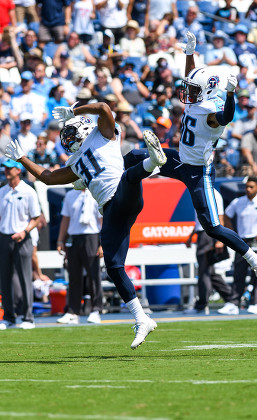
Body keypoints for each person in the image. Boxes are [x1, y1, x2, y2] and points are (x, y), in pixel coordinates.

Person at [5, 101, 167, 349]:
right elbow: (47, 178)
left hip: (122, 195)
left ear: (83, 126)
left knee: (128, 176)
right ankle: (141, 318)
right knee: (113, 267)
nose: (67, 139)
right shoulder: (75, 163)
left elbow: (103, 107)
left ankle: (152, 163)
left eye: (70, 132)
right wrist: (22, 158)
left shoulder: (102, 134)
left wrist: (74, 111)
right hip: (113, 212)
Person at [123, 31, 257, 297]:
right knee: (134, 156)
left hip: (199, 172)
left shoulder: (211, 111)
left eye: (193, 90)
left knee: (212, 227)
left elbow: (224, 117)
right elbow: (192, 78)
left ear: (209, 92)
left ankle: (255, 260)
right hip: (180, 160)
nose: (187, 92)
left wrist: (230, 94)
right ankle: (95, 178)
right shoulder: (199, 96)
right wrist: (189, 53)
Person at [218, 177, 257, 315]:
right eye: (246, 186)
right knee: (238, 273)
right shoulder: (237, 202)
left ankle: (254, 303)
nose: (248, 189)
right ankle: (234, 303)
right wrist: (232, 232)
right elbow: (227, 216)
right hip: (242, 241)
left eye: (251, 187)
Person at [0, 159, 41, 330]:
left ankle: (28, 317)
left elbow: (36, 217)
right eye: (5, 169)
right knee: (5, 279)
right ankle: (9, 317)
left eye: (10, 169)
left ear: (18, 170)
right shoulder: (2, 191)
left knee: (25, 278)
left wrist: (24, 231)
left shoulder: (28, 191)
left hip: (23, 237)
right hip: (4, 237)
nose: (6, 171)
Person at [56, 188, 103, 325]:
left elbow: (102, 220)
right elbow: (66, 219)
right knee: (74, 276)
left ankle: (96, 310)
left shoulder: (95, 193)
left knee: (93, 276)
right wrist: (60, 240)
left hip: (92, 236)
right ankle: (73, 311)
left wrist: (102, 243)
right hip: (75, 237)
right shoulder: (70, 195)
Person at [185, 189, 232, 315]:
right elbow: (198, 220)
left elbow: (220, 217)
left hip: (208, 235)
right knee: (208, 271)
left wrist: (220, 240)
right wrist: (191, 235)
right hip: (203, 234)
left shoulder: (214, 194)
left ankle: (202, 305)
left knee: (203, 271)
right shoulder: (200, 191)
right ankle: (231, 297)